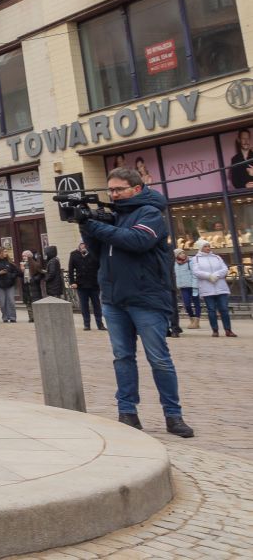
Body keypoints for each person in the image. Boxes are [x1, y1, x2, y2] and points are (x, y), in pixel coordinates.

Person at [73, 167, 194, 437]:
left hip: (146, 298)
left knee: (159, 359)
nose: (114, 194)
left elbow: (137, 241)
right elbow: (98, 252)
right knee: (122, 358)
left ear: (136, 188)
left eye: (119, 189)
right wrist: (85, 225)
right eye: (110, 190)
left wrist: (94, 225)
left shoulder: (150, 213)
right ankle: (127, 412)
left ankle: (173, 415)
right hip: (114, 299)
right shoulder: (113, 215)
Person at [190, 239, 236, 337]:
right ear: (200, 248)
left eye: (208, 246)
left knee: (224, 309)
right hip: (207, 288)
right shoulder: (196, 259)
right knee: (211, 309)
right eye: (205, 246)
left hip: (220, 287)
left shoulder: (217, 257)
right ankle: (215, 330)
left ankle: (228, 330)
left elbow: (224, 269)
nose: (208, 248)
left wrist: (216, 275)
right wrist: (209, 276)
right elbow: (196, 271)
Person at [69, 241, 104, 331]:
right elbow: (71, 270)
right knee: (84, 306)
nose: (83, 246)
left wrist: (101, 280)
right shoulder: (74, 254)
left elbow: (100, 267)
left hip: (94, 284)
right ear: (79, 245)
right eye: (81, 244)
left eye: (85, 244)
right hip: (81, 284)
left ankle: (100, 324)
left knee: (97, 305)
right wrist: (72, 282)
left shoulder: (93, 252)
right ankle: (87, 324)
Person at [0, 248, 20, 323]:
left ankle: (12, 317)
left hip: (10, 284)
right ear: (0, 252)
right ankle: (5, 317)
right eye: (4, 252)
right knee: (2, 302)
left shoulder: (9, 261)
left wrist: (12, 276)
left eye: (6, 252)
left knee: (11, 301)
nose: (6, 253)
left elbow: (16, 271)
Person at [173, 249, 201, 331]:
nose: (183, 254)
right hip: (183, 287)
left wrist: (195, 286)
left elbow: (195, 274)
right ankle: (192, 319)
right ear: (176, 256)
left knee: (196, 303)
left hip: (193, 286)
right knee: (187, 304)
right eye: (180, 253)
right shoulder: (175, 264)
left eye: (183, 253)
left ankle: (196, 322)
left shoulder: (190, 261)